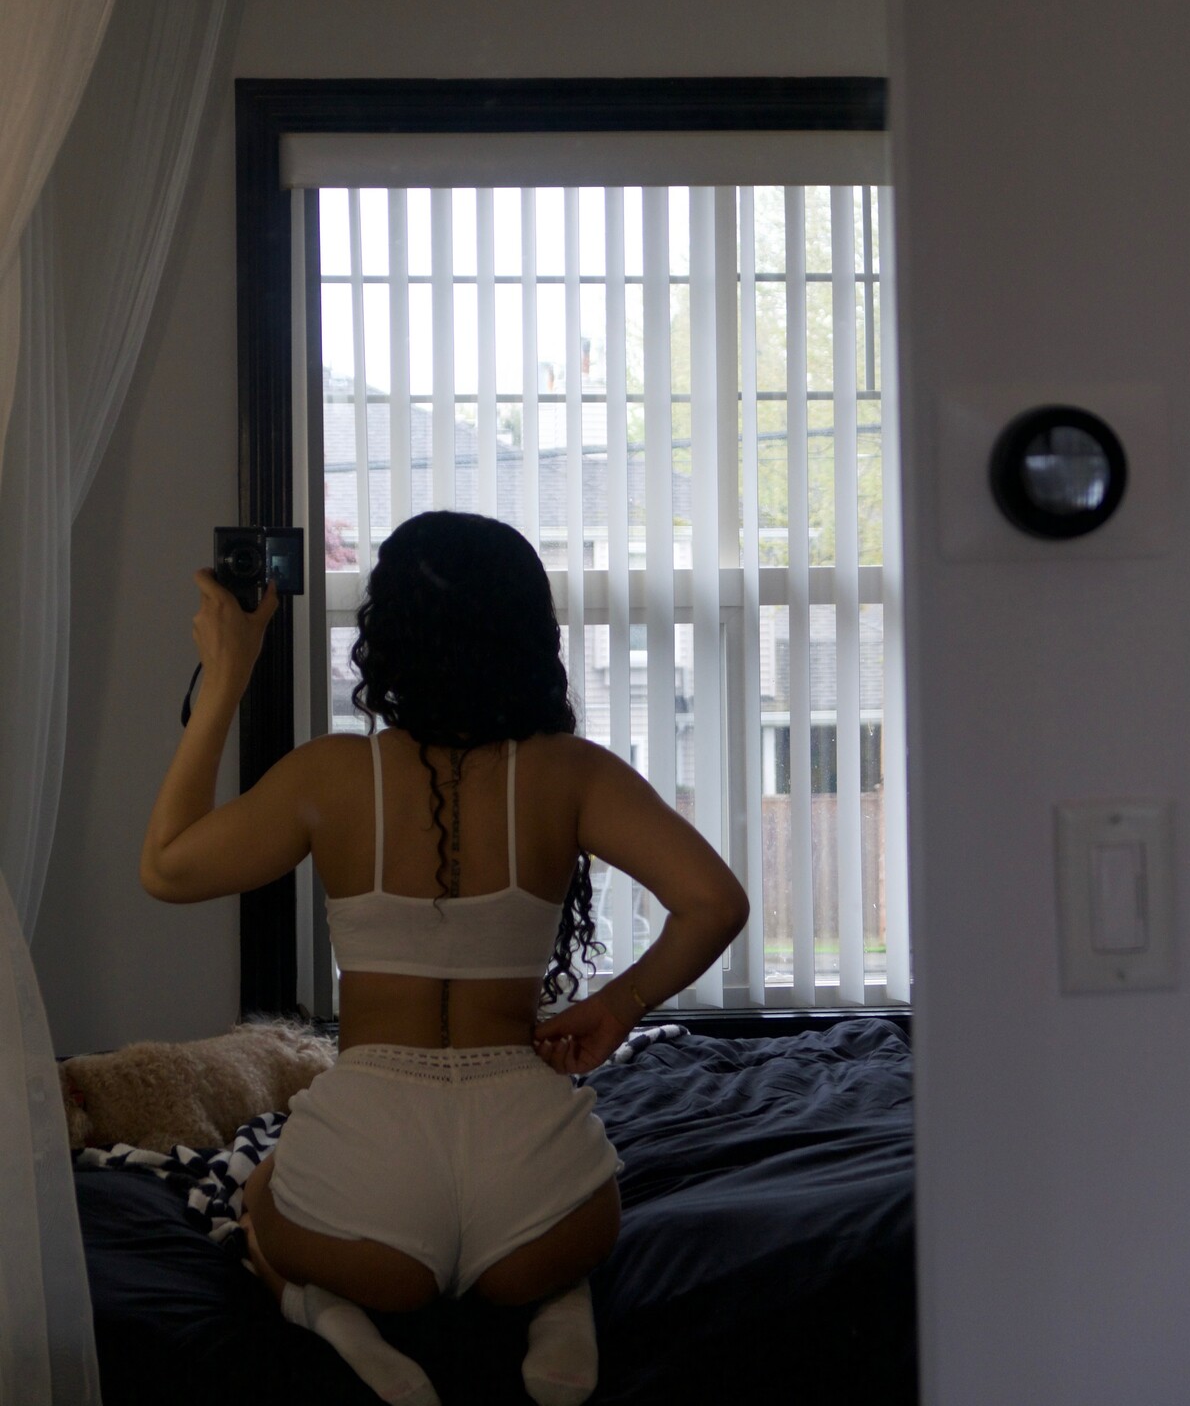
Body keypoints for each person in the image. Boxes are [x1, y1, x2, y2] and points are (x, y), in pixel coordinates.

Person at [140, 511, 749, 1406]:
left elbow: (166, 868)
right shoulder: (571, 772)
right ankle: (556, 1305)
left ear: (386, 635)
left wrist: (228, 678)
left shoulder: (331, 775)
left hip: (367, 1193)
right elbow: (717, 904)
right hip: (538, 1196)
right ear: (528, 637)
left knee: (257, 1192)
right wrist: (616, 1007)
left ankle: (329, 1315)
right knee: (551, 1242)